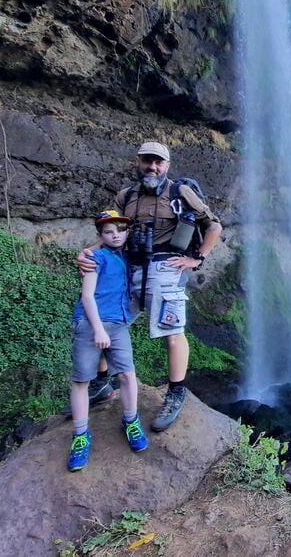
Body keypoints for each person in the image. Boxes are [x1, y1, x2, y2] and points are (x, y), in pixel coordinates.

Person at [79, 142, 222, 432]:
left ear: (167, 165)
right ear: (139, 161)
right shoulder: (125, 196)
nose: (152, 167)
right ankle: (101, 385)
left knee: (173, 331)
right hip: (129, 267)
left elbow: (214, 225)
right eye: (147, 161)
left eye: (158, 162)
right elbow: (111, 232)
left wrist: (198, 259)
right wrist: (87, 252)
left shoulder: (179, 192)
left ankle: (176, 391)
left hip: (166, 268)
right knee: (110, 322)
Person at [68, 211, 148, 472]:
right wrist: (98, 330)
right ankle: (81, 435)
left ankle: (131, 421)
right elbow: (88, 296)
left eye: (120, 230)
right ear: (100, 236)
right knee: (81, 381)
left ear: (127, 232)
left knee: (127, 374)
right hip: (91, 325)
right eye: (108, 232)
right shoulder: (95, 258)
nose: (115, 235)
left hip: (119, 324)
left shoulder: (124, 256)